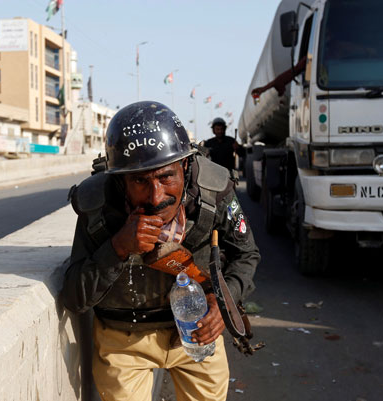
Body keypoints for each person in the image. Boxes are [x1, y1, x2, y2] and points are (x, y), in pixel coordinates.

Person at [61, 101, 260, 401]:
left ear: (185, 166)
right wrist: (117, 248)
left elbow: (247, 254)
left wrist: (223, 303)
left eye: (166, 177)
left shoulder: (213, 190)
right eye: (140, 181)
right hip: (124, 338)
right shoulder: (97, 206)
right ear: (120, 180)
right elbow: (75, 297)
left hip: (198, 331)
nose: (155, 197)